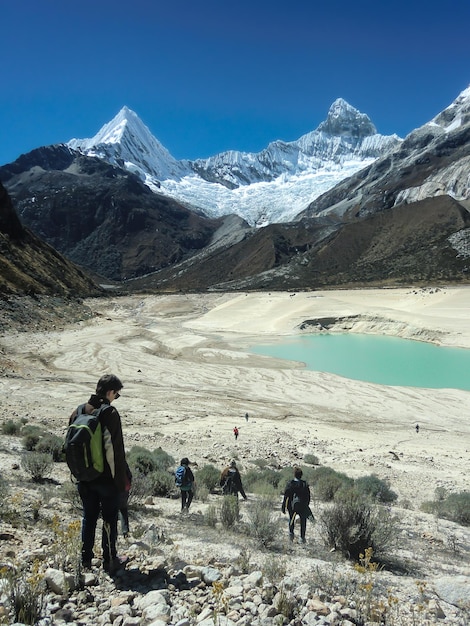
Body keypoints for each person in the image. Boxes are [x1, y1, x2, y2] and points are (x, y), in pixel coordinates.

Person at [69, 374, 129, 574]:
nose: (115, 398)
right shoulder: (109, 413)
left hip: (84, 477)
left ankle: (85, 559)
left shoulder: (78, 411)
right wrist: (120, 481)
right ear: (110, 392)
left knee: (89, 517)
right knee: (110, 518)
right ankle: (110, 559)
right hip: (105, 480)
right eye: (116, 395)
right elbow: (114, 452)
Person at [282, 467, 312, 544]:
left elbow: (286, 496)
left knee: (291, 520)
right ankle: (302, 538)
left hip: (292, 506)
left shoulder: (290, 483)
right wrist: (306, 506)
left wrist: (283, 506)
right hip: (302, 506)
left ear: (294, 474)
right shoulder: (304, 484)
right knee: (303, 521)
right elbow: (308, 497)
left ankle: (291, 537)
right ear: (301, 475)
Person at [118, 463, 132, 538]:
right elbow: (129, 475)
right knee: (123, 509)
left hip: (113, 489)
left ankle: (112, 533)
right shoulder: (122, 462)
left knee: (112, 511)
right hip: (124, 489)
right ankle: (125, 531)